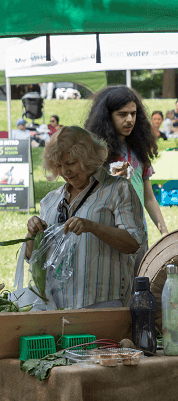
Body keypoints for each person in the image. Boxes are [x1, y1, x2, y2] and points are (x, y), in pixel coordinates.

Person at [25, 126, 146, 309]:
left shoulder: (118, 189)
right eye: (58, 165)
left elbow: (133, 243)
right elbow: (32, 257)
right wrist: (31, 233)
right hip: (55, 306)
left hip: (102, 302)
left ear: (88, 159)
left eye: (71, 163)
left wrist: (93, 226)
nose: (65, 171)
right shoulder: (50, 200)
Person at [84, 86, 169, 240]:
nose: (130, 120)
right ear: (107, 117)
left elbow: (149, 198)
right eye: (122, 114)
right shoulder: (93, 152)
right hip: (104, 232)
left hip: (137, 232)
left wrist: (164, 232)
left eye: (133, 113)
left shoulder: (139, 150)